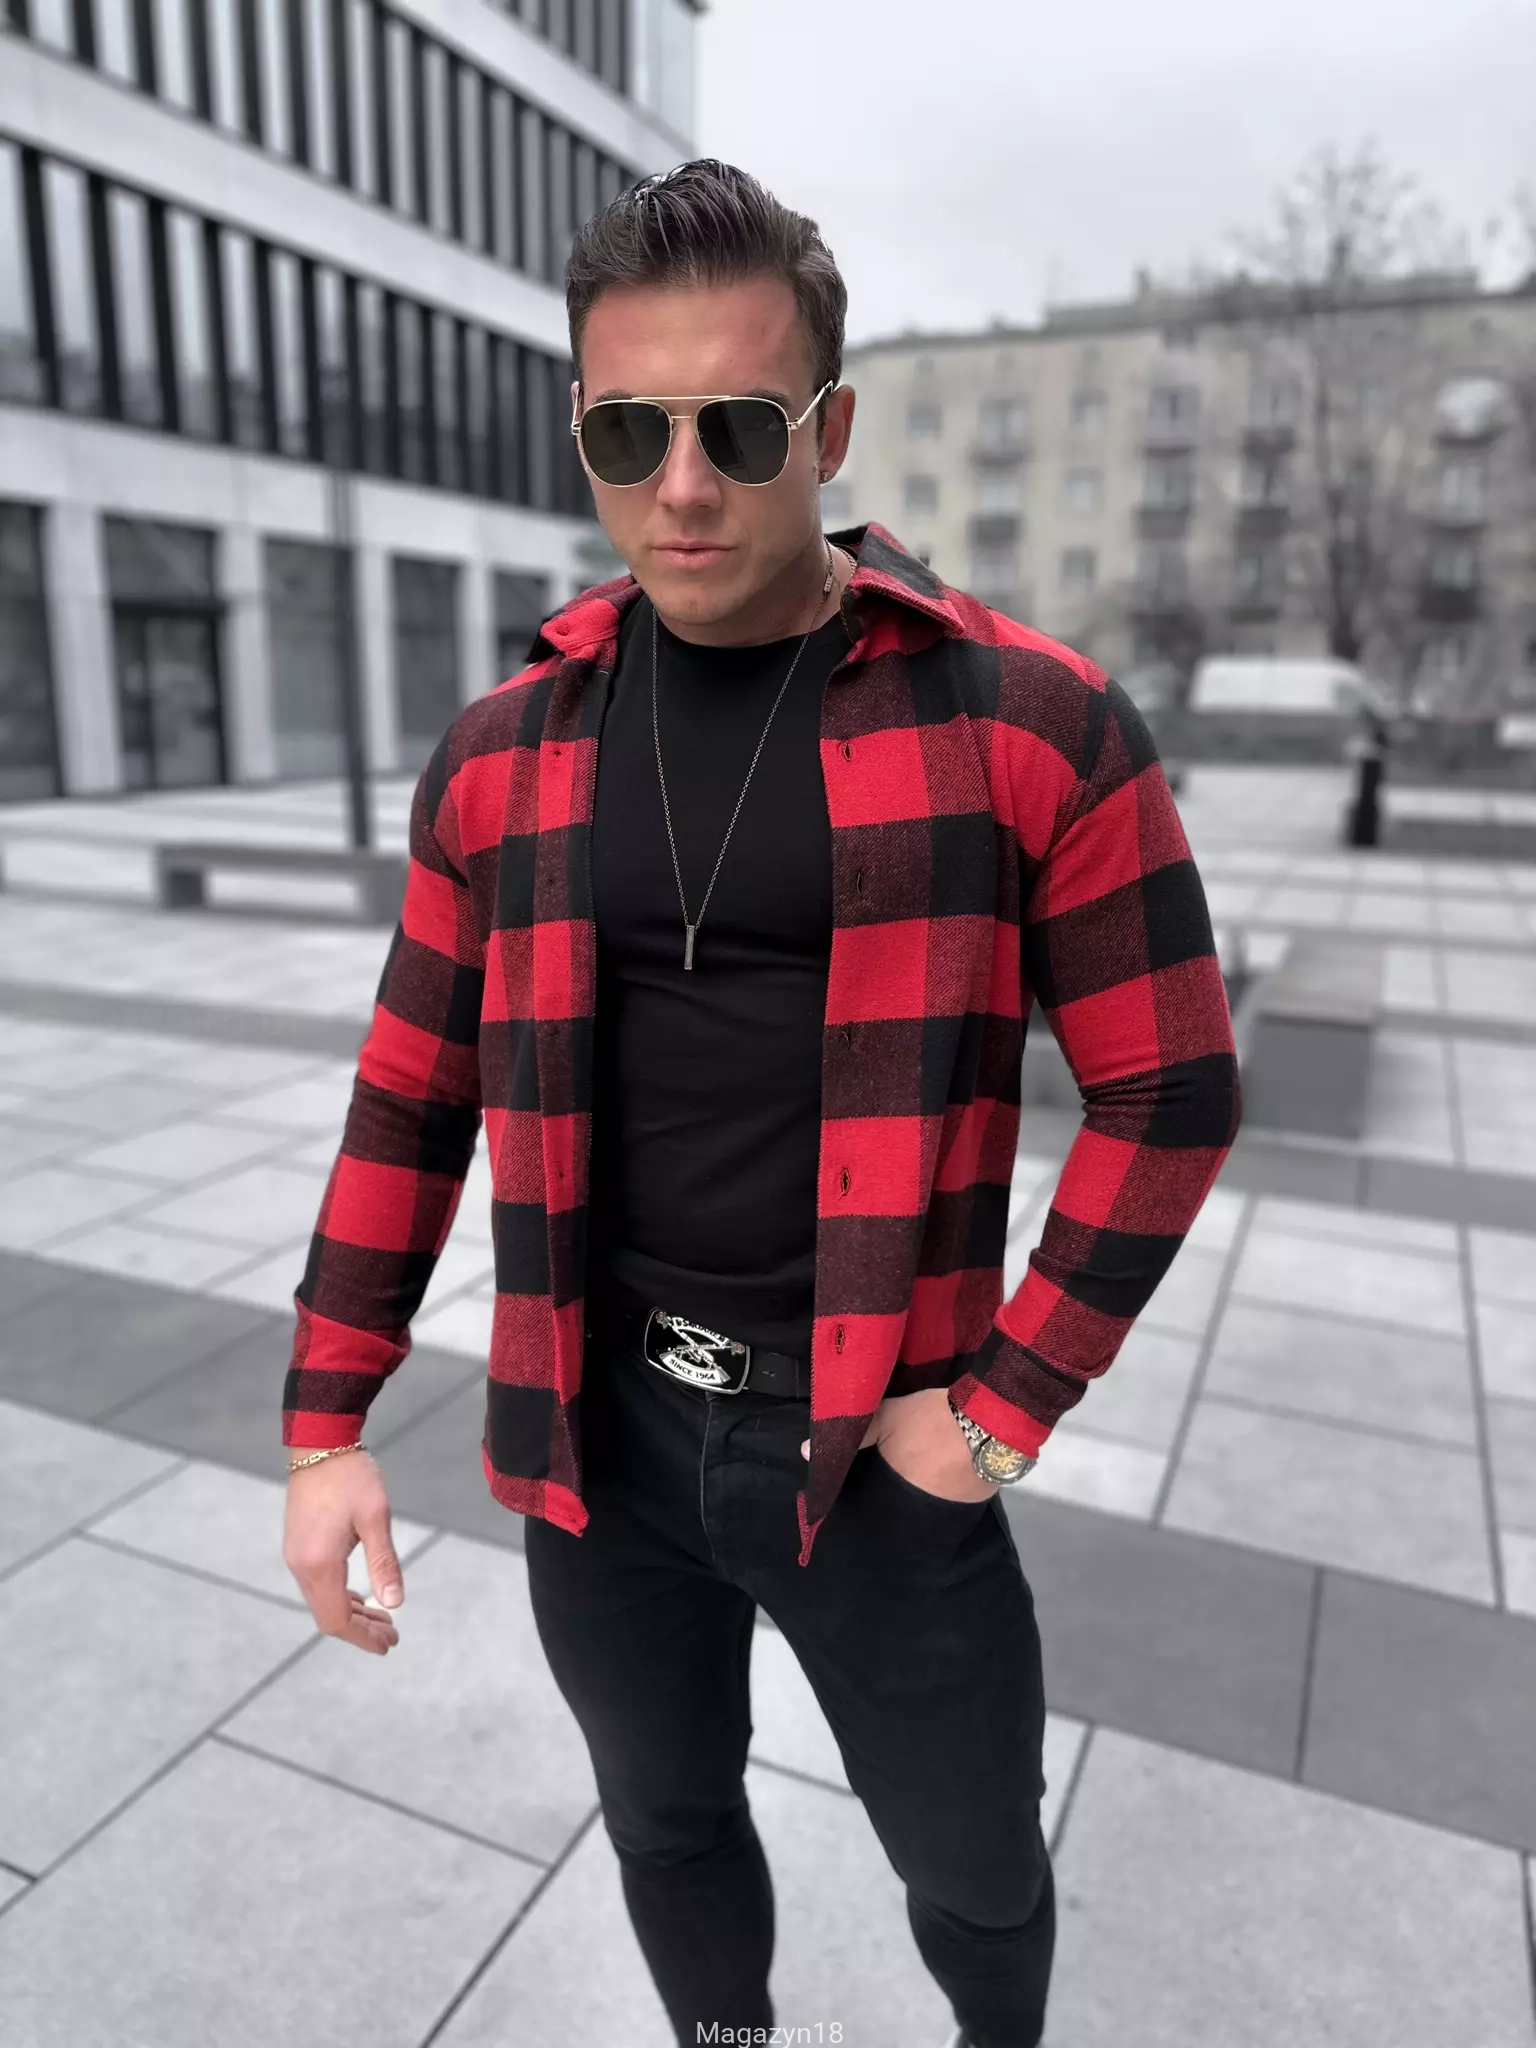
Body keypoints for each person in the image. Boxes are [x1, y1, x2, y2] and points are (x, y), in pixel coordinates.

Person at [281, 160, 1242, 2048]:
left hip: (883, 1446)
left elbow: (1173, 1088)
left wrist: (1005, 1412)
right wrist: (326, 1427)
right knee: (666, 1824)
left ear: (831, 429)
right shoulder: (503, 755)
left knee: (977, 1867)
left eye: (737, 425)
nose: (683, 485)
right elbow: (409, 1098)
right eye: (626, 433)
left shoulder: (1026, 722)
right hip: (600, 1435)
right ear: (583, 429)